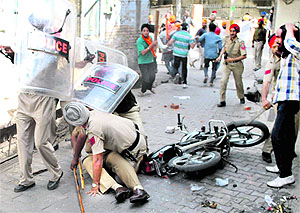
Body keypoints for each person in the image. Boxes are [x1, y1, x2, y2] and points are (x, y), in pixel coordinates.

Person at [1, 46, 64, 193]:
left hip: (42, 99)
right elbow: (24, 65)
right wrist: (14, 54)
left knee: (41, 142)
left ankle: (56, 172)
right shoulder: (27, 42)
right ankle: (26, 179)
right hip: (24, 98)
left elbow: (49, 67)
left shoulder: (50, 46)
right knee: (23, 142)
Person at [63, 102, 150, 203]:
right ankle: (131, 189)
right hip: (137, 145)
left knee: (90, 161)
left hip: (133, 155)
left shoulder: (93, 129)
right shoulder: (94, 113)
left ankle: (120, 187)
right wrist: (75, 157)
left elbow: (97, 160)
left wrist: (95, 185)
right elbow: (82, 136)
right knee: (109, 156)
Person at [266, 23, 300, 188]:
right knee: (285, 137)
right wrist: (275, 94)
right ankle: (283, 168)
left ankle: (286, 175)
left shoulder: (296, 49)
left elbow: (292, 44)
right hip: (284, 99)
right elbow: (283, 78)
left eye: (280, 36)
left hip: (291, 100)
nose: (277, 39)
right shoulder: (288, 55)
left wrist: (290, 29)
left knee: (277, 136)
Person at [260, 34, 281, 163]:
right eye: (274, 46)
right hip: (279, 97)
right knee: (277, 125)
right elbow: (267, 82)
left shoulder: (291, 57)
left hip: (295, 96)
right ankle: (267, 149)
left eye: (278, 45)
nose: (276, 48)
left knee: (294, 127)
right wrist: (264, 99)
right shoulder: (272, 62)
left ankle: (289, 149)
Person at [216, 24, 247, 107]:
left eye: (234, 31)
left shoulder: (241, 42)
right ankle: (222, 100)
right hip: (227, 64)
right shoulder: (227, 39)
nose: (232, 33)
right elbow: (224, 48)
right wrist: (220, 56)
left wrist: (232, 59)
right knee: (223, 81)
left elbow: (244, 56)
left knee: (238, 82)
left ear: (237, 32)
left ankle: (241, 97)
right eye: (231, 31)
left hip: (237, 65)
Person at [166, 22, 198, 88]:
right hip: (184, 54)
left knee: (175, 66)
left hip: (176, 53)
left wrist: (167, 46)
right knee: (184, 68)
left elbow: (170, 42)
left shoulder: (176, 34)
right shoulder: (189, 36)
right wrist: (195, 41)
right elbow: (192, 46)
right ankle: (184, 82)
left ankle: (175, 74)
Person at [136, 23, 158, 96]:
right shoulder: (140, 41)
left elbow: (153, 49)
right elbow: (143, 52)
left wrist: (155, 45)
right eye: (144, 30)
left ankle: (149, 87)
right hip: (142, 62)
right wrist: (151, 45)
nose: (146, 32)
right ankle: (142, 91)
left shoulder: (151, 38)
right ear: (142, 32)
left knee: (152, 76)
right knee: (146, 78)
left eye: (147, 30)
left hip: (150, 60)